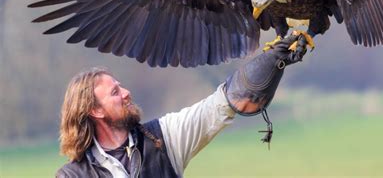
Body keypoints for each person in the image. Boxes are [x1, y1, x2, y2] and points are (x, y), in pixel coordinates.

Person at [56, 33, 308, 177]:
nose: (126, 93)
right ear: (95, 110)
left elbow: (217, 108)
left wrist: (270, 61)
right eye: (114, 92)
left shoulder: (163, 138)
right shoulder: (73, 176)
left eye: (120, 86)